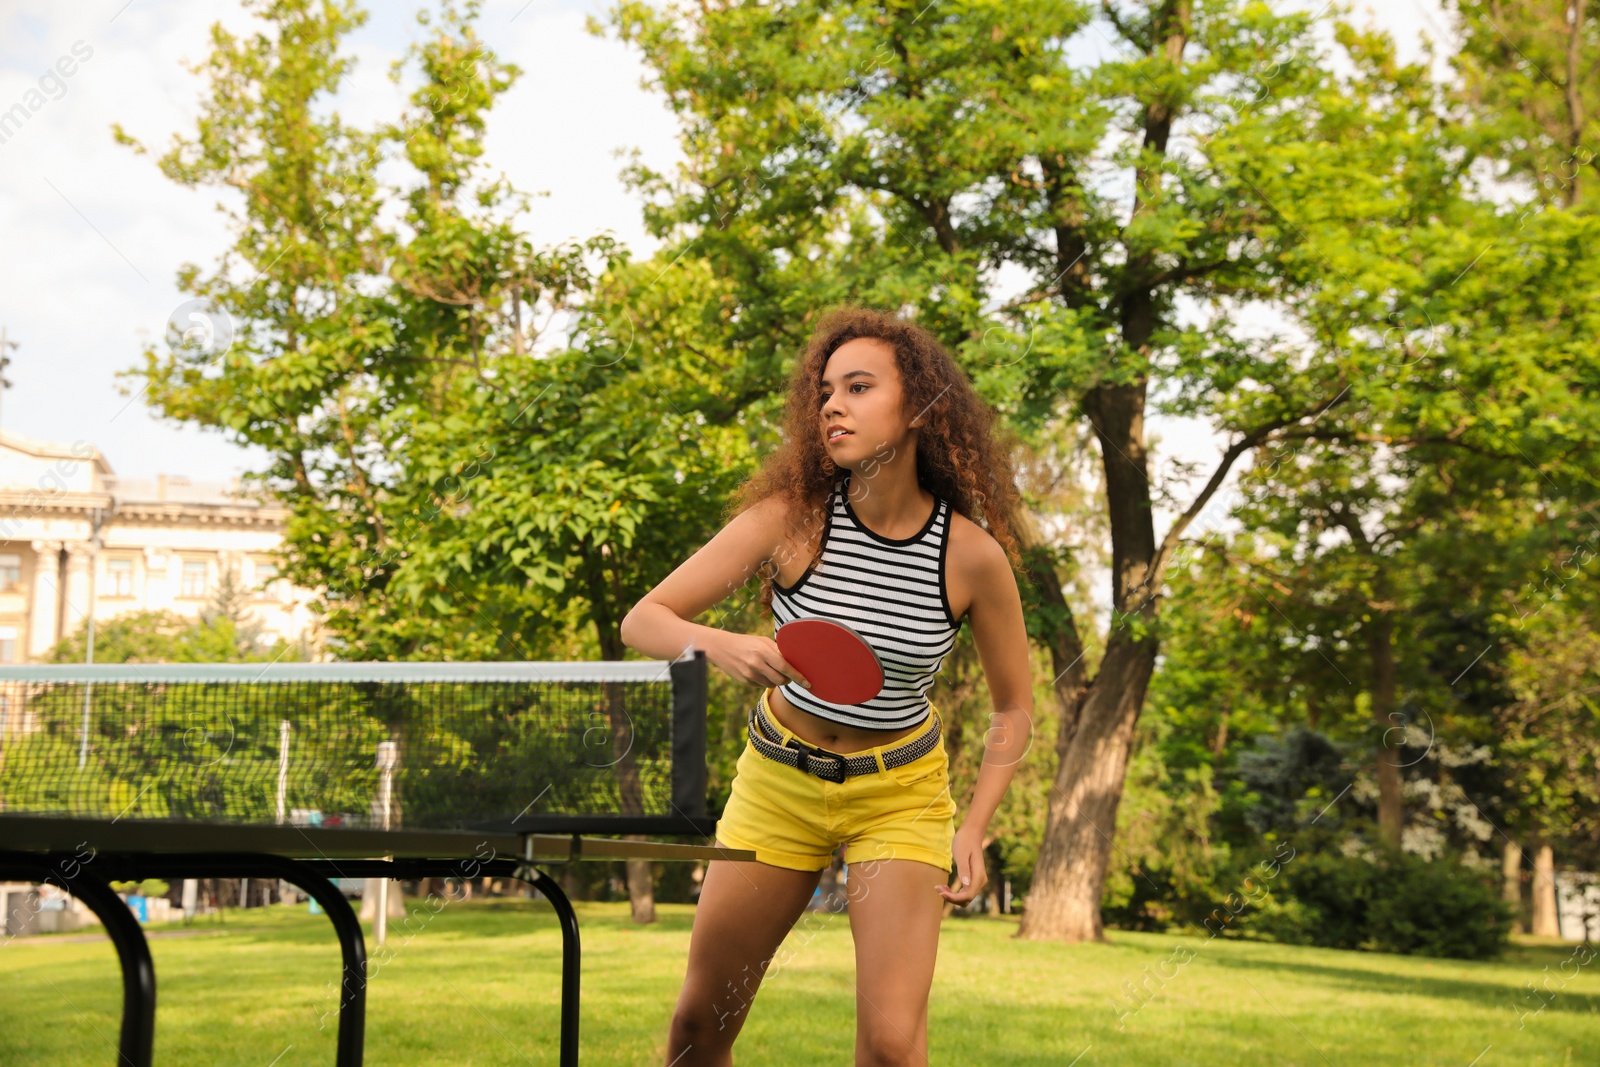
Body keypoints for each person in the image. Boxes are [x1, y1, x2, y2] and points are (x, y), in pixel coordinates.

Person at [620, 305, 1034, 1066]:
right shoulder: (791, 519)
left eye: (858, 387)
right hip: (778, 782)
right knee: (694, 1031)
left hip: (900, 793)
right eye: (825, 392)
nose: (831, 406)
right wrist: (719, 644)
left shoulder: (971, 557)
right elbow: (643, 619)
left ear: (916, 409)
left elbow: (1015, 705)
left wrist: (972, 827)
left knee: (890, 1047)